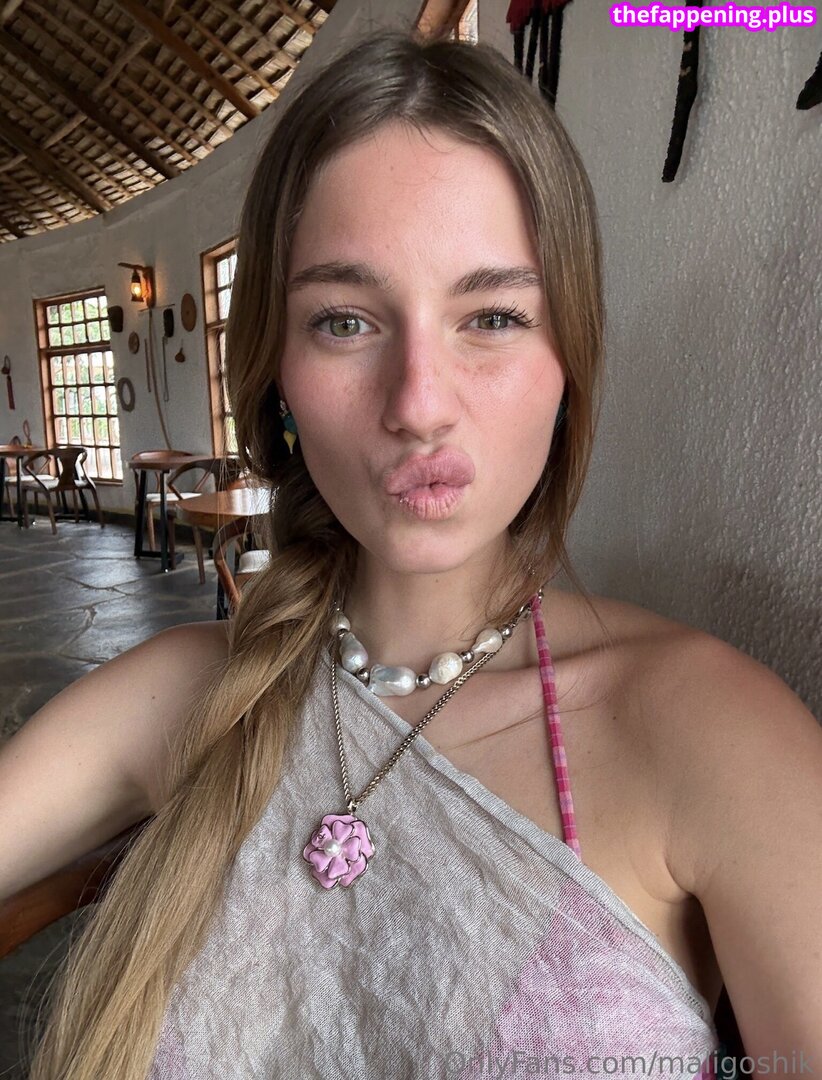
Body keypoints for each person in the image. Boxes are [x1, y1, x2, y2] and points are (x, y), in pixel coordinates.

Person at [2, 27, 819, 1080]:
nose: (420, 404)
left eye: (493, 316)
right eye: (345, 321)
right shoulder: (180, 701)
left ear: (568, 360)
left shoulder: (713, 732)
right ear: (276, 377)